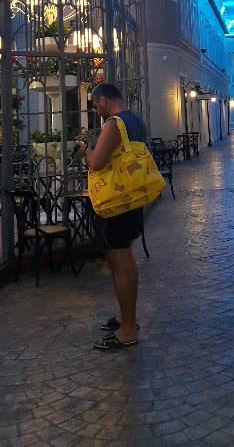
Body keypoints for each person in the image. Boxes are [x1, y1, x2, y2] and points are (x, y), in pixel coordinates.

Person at [75, 82, 147, 351]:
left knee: (120, 260)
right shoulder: (136, 121)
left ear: (103, 101)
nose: (97, 111)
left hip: (117, 201)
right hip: (132, 196)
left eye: (96, 105)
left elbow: (97, 162)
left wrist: (85, 150)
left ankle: (128, 329)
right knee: (125, 257)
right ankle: (125, 317)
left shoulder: (114, 124)